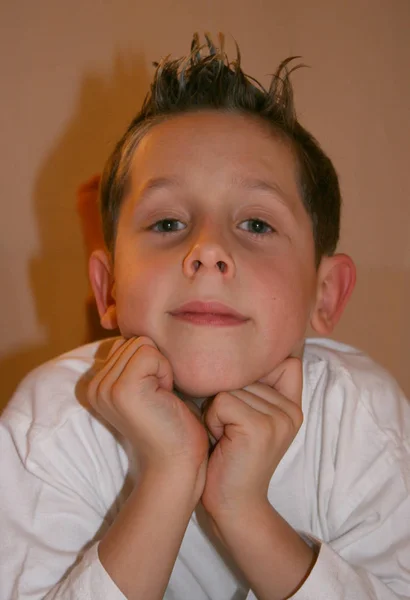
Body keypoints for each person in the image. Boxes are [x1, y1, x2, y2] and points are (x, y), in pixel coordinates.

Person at [1, 34, 409, 600]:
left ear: (326, 294)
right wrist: (168, 478)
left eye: (257, 225)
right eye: (168, 223)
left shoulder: (364, 424)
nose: (209, 251)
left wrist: (243, 512)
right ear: (108, 289)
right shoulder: (52, 423)